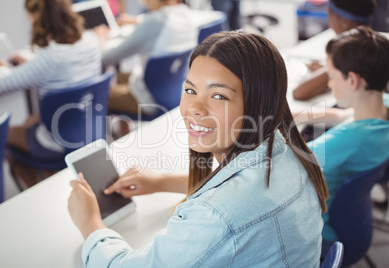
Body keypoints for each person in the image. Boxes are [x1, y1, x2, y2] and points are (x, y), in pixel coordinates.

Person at [68, 31, 329, 267]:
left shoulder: (217, 216)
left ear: (259, 105)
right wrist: (163, 181)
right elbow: (243, 192)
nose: (194, 108)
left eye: (219, 96)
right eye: (190, 90)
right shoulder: (288, 150)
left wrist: (91, 224)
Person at [305, 26, 389, 255]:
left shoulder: (345, 142)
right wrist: (295, 115)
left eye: (331, 76)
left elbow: (288, 160)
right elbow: (344, 115)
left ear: (352, 80)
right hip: (355, 226)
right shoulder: (381, 108)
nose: (329, 84)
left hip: (323, 236)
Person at [0, 0, 102, 162]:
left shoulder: (50, 59)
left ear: (39, 18)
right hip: (88, 128)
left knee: (0, 137)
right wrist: (33, 65)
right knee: (31, 121)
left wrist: (0, 67)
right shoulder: (92, 40)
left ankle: (38, 178)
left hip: (57, 142)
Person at [97, 0, 198, 116]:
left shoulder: (153, 22)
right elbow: (158, 21)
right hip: (172, 90)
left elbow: (107, 58)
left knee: (97, 97)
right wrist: (137, 21)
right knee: (118, 77)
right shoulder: (186, 15)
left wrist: (101, 41)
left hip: (146, 98)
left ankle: (115, 132)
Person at [292, 0, 377, 101]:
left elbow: (298, 93)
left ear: (345, 22)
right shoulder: (378, 45)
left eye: (330, 17)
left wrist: (330, 70)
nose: (330, 25)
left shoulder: (353, 55)